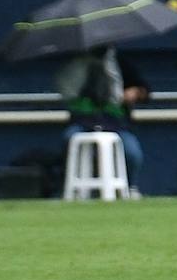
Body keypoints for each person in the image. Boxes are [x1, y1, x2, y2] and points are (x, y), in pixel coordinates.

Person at [57, 46, 150, 189]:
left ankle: (130, 187)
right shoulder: (78, 66)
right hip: (84, 122)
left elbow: (145, 91)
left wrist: (136, 92)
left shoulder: (120, 63)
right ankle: (68, 187)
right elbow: (69, 93)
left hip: (116, 124)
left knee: (132, 153)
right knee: (69, 139)